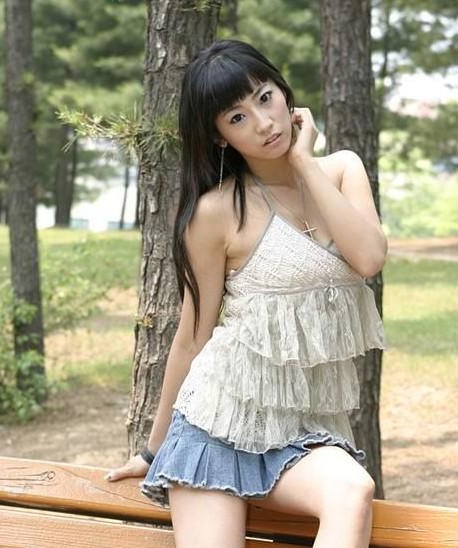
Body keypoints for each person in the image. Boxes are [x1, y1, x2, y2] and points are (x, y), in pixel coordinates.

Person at [104, 39, 388, 548]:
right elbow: (192, 338)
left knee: (351, 489)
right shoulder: (216, 212)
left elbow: (368, 258)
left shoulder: (342, 169)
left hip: (303, 431)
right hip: (215, 426)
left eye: (264, 97)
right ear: (219, 137)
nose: (262, 123)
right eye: (237, 117)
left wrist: (303, 163)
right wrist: (152, 449)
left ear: (283, 91)